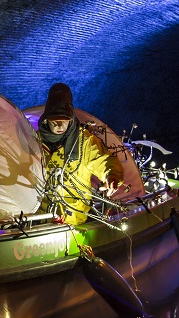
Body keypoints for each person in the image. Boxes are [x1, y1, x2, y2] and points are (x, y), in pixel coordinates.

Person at [36, 83, 128, 227]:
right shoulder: (34, 141)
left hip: (74, 221)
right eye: (55, 121)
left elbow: (104, 161)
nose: (60, 125)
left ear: (71, 119)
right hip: (40, 220)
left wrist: (112, 176)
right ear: (46, 119)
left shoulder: (84, 141)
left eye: (65, 120)